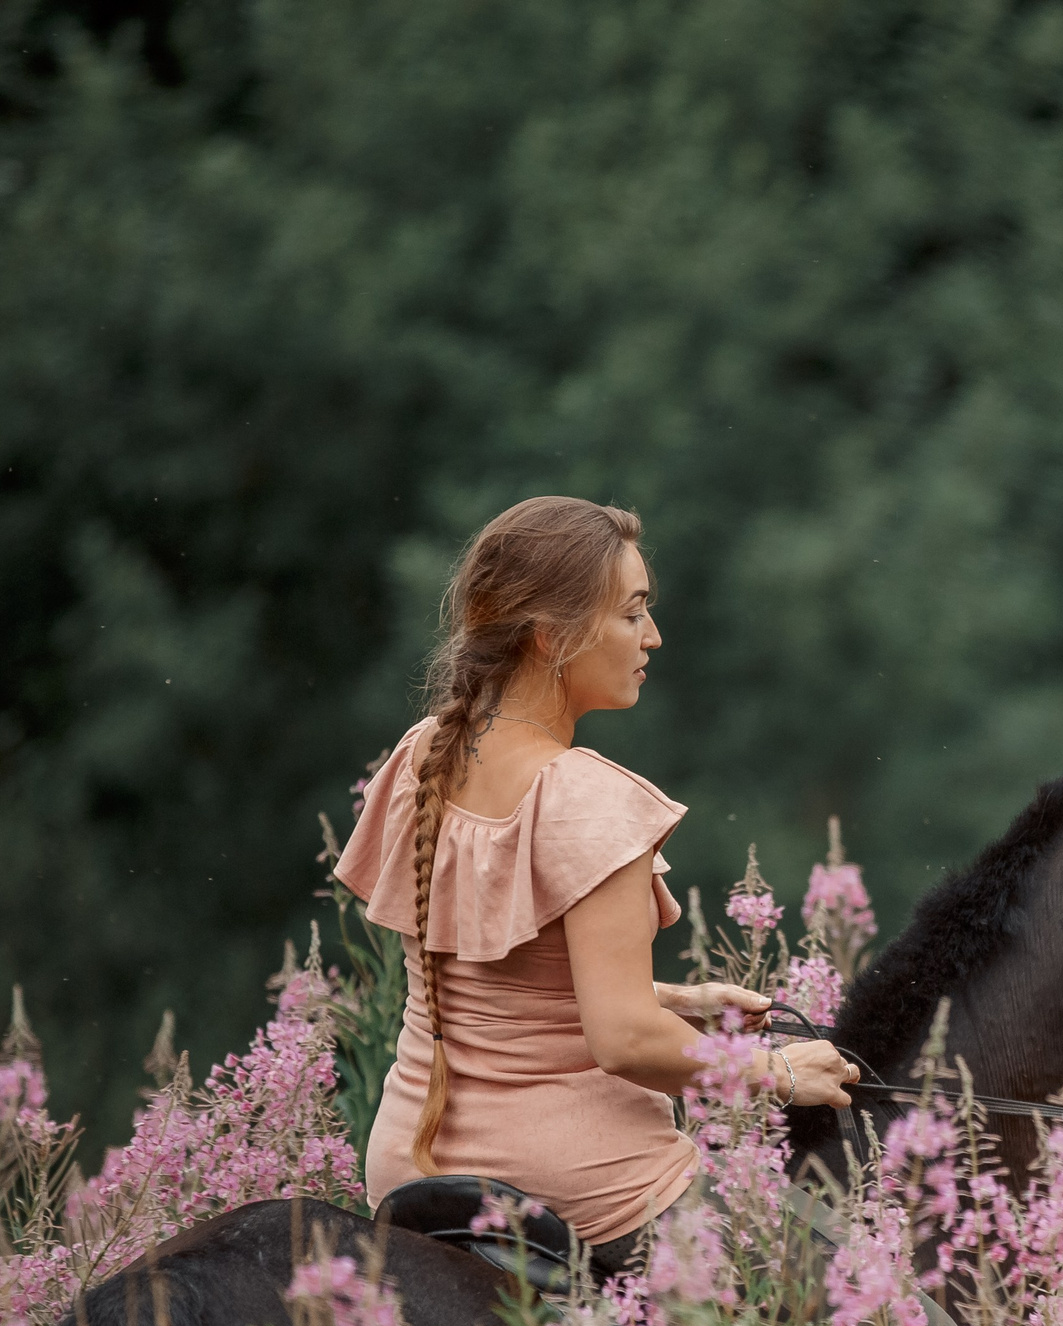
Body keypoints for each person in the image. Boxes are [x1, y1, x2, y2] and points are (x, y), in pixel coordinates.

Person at [335, 495, 856, 1276]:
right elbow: (623, 1041)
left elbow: (497, 988)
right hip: (581, 1185)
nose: (652, 637)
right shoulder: (591, 800)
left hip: (410, 1167)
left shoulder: (423, 756)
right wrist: (778, 1073)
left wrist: (675, 1000)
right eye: (632, 614)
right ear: (552, 636)